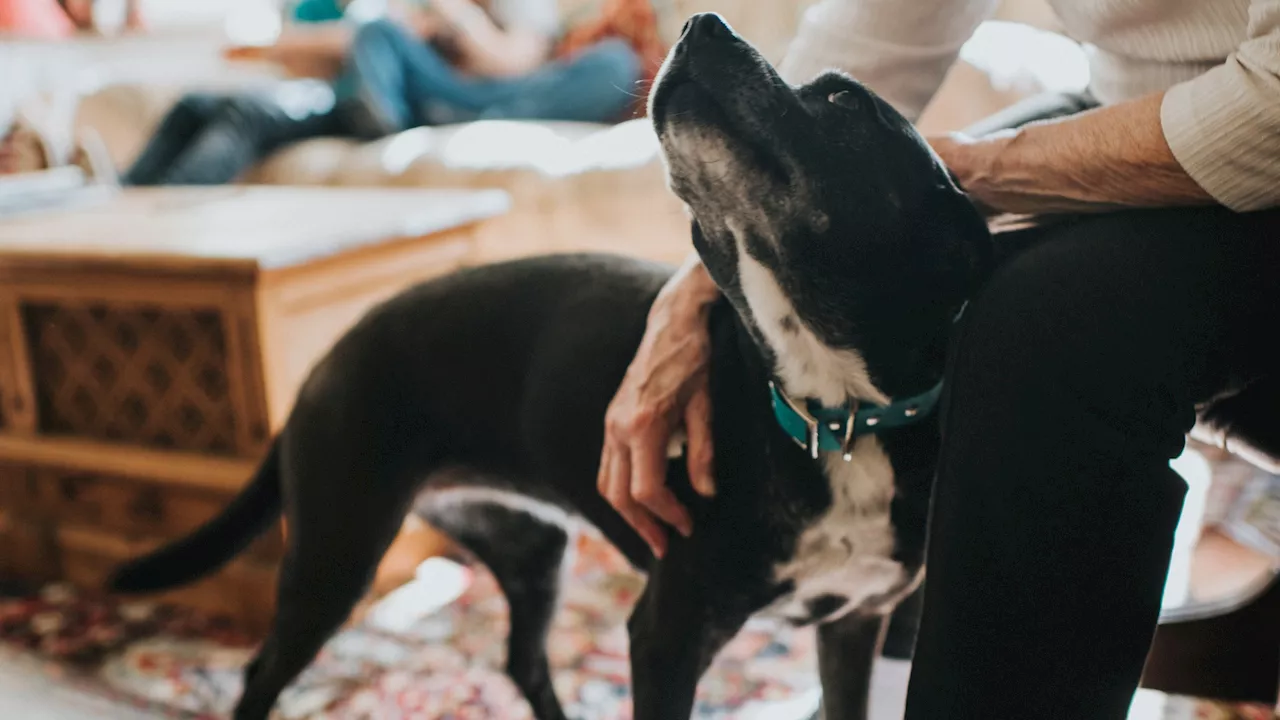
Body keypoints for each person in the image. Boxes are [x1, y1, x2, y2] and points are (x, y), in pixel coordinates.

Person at [597, 1, 1280, 718]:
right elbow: (878, 33)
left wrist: (968, 173)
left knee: (1041, 323)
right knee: (884, 254)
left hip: (1260, 134)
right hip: (1142, 99)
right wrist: (693, 291)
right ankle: (894, 669)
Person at [124, 0, 641, 185]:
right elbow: (323, 49)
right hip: (396, 101)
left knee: (614, 62)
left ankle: (394, 112)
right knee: (212, 106)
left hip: (483, 93)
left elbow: (513, 60)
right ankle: (121, 201)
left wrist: (449, 15)